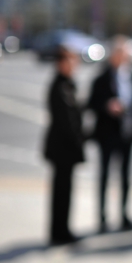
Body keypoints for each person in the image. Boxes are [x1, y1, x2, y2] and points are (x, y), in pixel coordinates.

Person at [88, 36, 132, 232]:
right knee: (104, 176)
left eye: (125, 53)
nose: (122, 57)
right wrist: (107, 106)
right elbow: (91, 103)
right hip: (107, 134)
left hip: (127, 134)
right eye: (118, 53)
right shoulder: (101, 78)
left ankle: (124, 215)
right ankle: (102, 218)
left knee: (126, 176)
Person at [43, 46, 84, 246]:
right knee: (61, 191)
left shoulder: (68, 84)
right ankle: (59, 232)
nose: (74, 65)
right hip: (62, 148)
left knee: (65, 190)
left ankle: (62, 229)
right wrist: (81, 139)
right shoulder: (59, 86)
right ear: (61, 64)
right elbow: (67, 121)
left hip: (65, 148)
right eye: (70, 61)